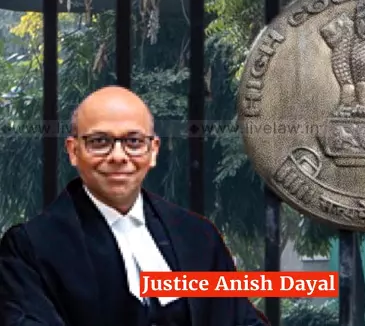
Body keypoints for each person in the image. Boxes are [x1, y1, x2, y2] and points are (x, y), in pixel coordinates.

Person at [0, 86, 269, 326]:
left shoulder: (198, 236)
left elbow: (241, 320)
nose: (118, 156)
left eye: (134, 142)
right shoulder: (29, 248)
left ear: (153, 151)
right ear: (73, 150)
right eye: (99, 142)